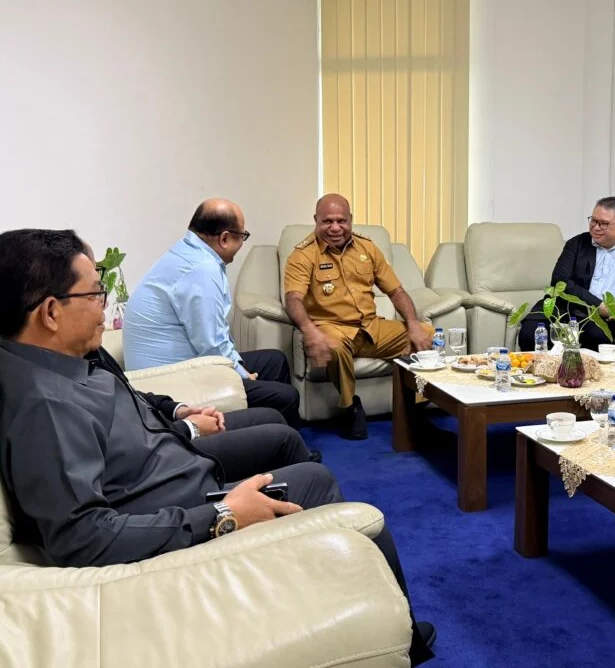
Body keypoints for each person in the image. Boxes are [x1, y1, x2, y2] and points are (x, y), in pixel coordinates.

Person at [0, 229, 435, 662]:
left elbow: (127, 398)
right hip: (174, 503)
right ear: (51, 312)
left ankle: (321, 585)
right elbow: (82, 538)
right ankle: (404, 642)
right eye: (95, 292)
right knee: (330, 494)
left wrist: (178, 415)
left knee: (288, 447)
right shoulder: (45, 405)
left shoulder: (66, 358)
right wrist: (224, 515)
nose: (105, 304)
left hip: (169, 466)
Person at [122, 199, 303, 434]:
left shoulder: (187, 253)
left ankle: (280, 439)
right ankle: (280, 445)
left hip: (178, 365)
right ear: (225, 239)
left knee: (274, 360)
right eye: (242, 236)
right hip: (171, 379)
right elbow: (210, 345)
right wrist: (242, 374)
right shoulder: (201, 270)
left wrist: (238, 366)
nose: (242, 243)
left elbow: (213, 338)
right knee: (287, 396)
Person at [284, 194, 432, 440]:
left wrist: (414, 324)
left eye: (341, 221)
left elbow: (396, 291)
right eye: (327, 221)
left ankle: (417, 405)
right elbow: (293, 299)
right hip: (334, 328)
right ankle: (350, 407)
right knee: (333, 346)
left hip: (371, 328)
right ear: (316, 221)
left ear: (350, 219)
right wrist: (310, 331)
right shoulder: (303, 255)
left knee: (427, 334)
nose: (335, 228)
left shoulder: (367, 248)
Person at [517, 196, 615, 352]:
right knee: (530, 333)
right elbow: (560, 281)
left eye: (603, 223)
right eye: (593, 221)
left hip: (600, 319)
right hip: (563, 308)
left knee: (596, 338)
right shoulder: (576, 244)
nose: (596, 227)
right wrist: (598, 305)